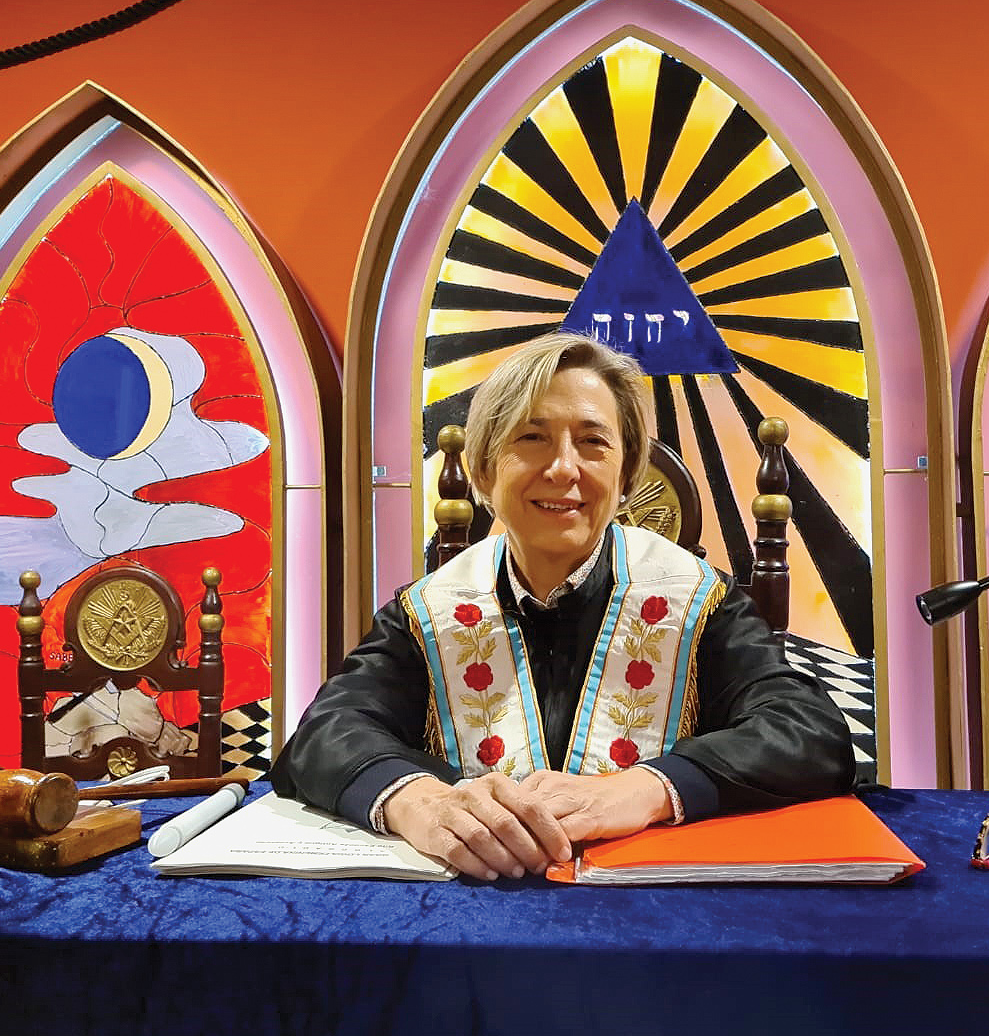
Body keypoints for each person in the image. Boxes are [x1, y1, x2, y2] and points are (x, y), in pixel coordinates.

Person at [272, 332, 856, 879]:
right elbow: (323, 735)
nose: (563, 469)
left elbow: (808, 732)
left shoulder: (698, 602)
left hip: (655, 912)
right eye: (532, 438)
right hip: (475, 909)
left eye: (593, 442)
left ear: (626, 475)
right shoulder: (430, 612)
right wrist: (418, 801)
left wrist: (646, 789)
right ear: (484, 470)